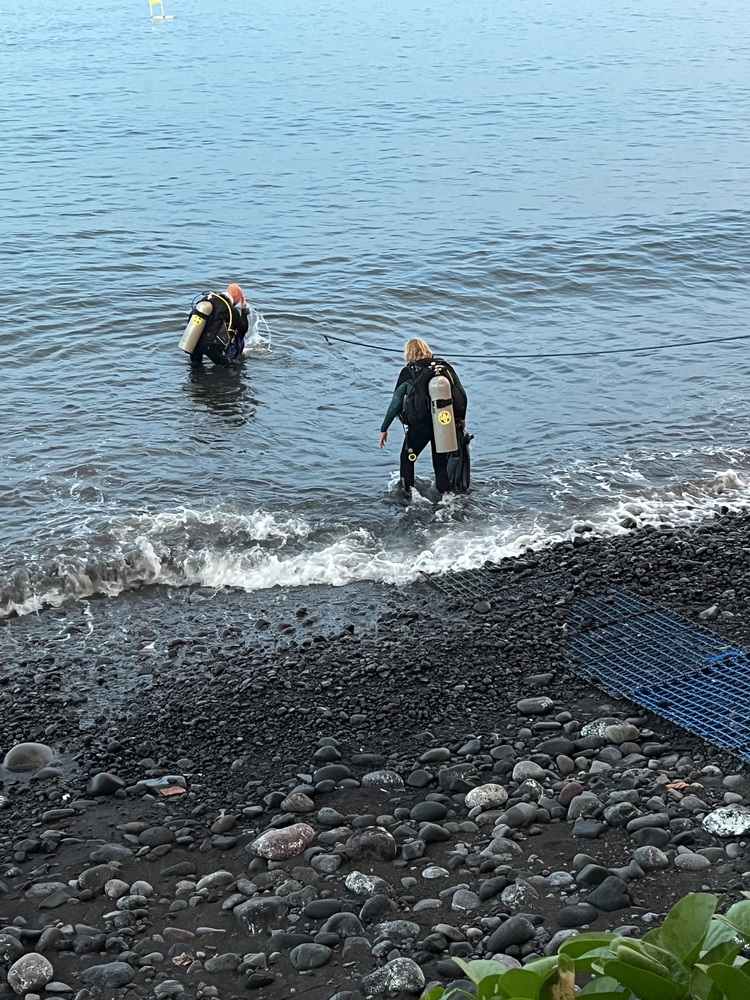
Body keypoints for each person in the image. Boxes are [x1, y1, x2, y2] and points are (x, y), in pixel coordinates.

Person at [379, 338, 467, 496]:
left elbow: (395, 403)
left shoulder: (409, 371)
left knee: (407, 459)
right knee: (440, 464)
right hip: (444, 422)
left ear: (409, 353)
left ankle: (407, 496)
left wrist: (384, 428)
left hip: (420, 426)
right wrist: (461, 417)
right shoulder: (444, 367)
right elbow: (461, 394)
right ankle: (447, 499)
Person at [187, 284, 250, 367]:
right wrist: (244, 310)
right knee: (231, 367)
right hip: (212, 346)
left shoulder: (208, 299)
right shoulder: (230, 310)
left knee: (195, 367)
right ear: (236, 296)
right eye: (240, 299)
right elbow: (242, 329)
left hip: (195, 342)